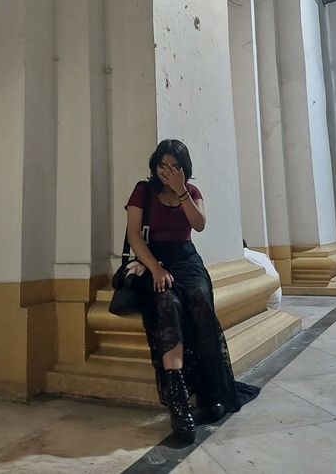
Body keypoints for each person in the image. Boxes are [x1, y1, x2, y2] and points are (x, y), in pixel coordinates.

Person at [125, 139, 259, 444]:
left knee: (199, 301)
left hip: (187, 261)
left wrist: (181, 190)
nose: (167, 171)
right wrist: (156, 269)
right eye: (162, 165)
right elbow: (134, 236)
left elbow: (199, 225)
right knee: (168, 305)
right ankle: (179, 404)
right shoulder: (143, 191)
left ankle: (212, 392)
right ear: (154, 165)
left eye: (174, 166)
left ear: (184, 169)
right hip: (155, 260)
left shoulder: (192, 192)